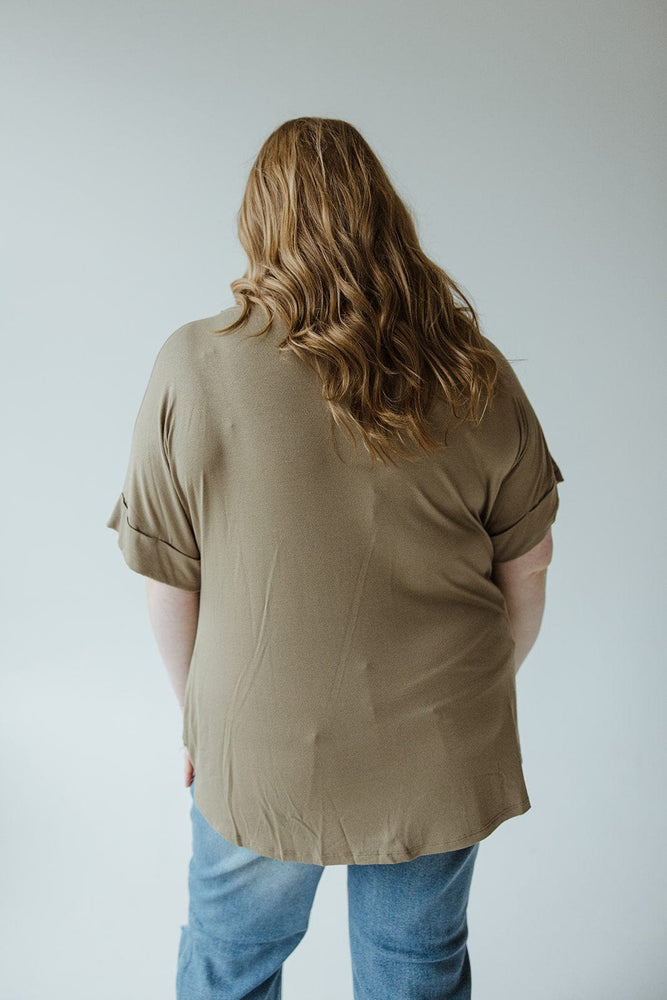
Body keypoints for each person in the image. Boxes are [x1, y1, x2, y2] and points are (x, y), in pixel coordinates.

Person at [106, 117, 564, 1000]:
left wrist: (203, 718)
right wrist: (473, 691)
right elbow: (531, 559)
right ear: (385, 214)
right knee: (413, 971)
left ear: (259, 221)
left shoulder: (193, 365)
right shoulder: (473, 370)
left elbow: (171, 579)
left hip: (262, 741)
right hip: (437, 743)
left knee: (230, 966)